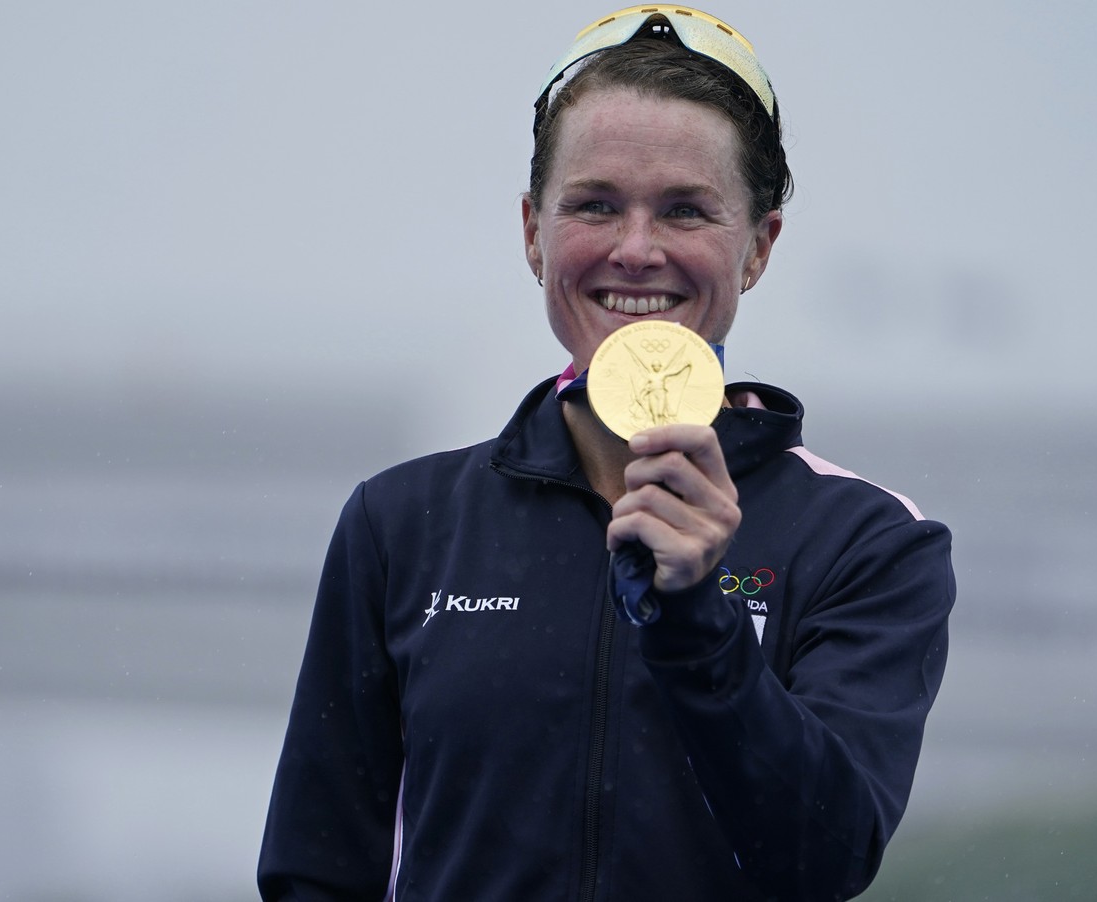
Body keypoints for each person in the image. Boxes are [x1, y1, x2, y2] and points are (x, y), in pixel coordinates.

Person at [258, 7, 955, 900]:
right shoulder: (403, 524)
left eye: (685, 210)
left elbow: (823, 857)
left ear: (758, 247)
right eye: (594, 205)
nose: (636, 250)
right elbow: (315, 872)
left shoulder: (866, 541)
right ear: (531, 232)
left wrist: (696, 613)